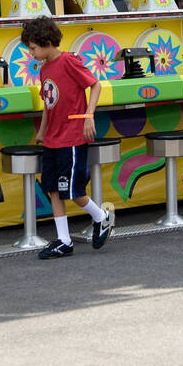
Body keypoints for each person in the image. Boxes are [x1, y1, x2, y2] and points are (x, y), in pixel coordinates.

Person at [21, 16, 113, 259]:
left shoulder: (69, 61)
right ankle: (64, 240)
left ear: (47, 42)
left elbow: (95, 85)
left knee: (72, 191)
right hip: (52, 137)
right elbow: (47, 104)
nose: (31, 53)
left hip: (71, 137)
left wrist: (89, 116)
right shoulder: (44, 70)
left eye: (33, 48)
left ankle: (101, 217)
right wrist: (42, 130)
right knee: (53, 188)